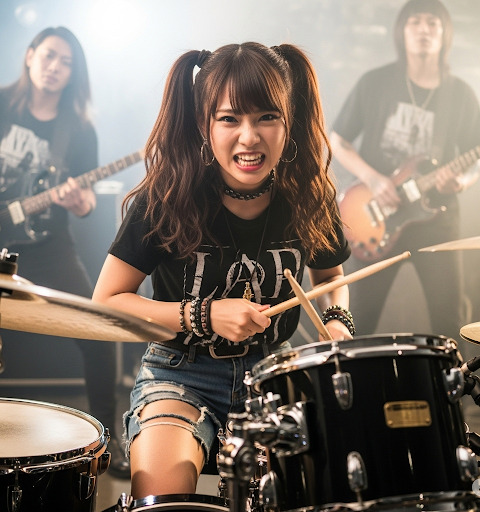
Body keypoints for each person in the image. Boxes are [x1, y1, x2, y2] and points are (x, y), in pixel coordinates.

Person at [92, 41, 353, 498]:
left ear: (288, 121)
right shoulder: (166, 196)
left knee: (302, 492)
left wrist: (336, 323)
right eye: (229, 119)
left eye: (267, 117)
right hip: (179, 372)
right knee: (162, 498)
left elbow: (331, 280)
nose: (249, 137)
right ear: (204, 124)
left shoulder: (309, 195)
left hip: (274, 374)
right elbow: (108, 302)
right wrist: (205, 314)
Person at [0, 26, 129, 478]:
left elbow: (87, 198)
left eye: (66, 62)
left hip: (49, 246)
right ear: (30, 55)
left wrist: (80, 202)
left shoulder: (78, 128)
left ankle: (106, 440)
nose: (55, 67)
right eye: (49, 56)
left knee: (98, 332)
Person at [330, 0, 480, 349]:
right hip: (375, 217)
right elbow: (337, 139)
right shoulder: (375, 83)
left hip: (436, 222)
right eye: (415, 21)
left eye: (433, 22)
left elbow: (475, 159)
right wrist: (374, 179)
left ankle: (455, 383)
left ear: (444, 33)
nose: (424, 29)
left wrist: (461, 182)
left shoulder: (460, 94)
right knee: (357, 318)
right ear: (402, 31)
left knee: (450, 321)